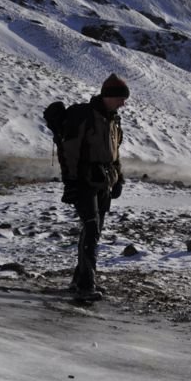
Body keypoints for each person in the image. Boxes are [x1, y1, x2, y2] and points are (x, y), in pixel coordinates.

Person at [61, 73, 128, 301]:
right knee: (91, 231)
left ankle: (80, 280)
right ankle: (86, 285)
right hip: (85, 182)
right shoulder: (87, 118)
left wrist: (119, 179)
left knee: (93, 231)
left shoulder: (113, 120)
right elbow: (70, 152)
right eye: (120, 98)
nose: (123, 103)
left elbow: (115, 154)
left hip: (104, 182)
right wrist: (70, 182)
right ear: (109, 96)